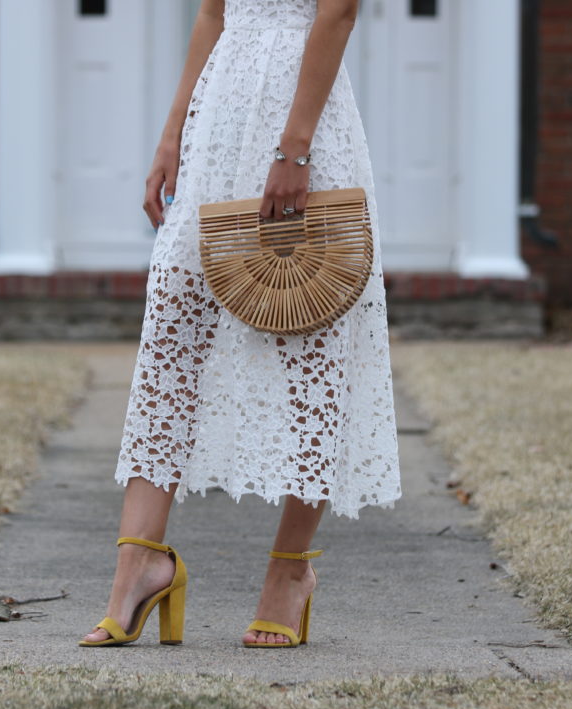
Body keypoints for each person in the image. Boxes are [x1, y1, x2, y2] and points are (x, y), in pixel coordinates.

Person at [80, 0, 401, 648]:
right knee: (173, 327)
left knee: (312, 343)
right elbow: (212, 13)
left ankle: (290, 575)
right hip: (219, 121)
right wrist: (173, 133)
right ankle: (140, 562)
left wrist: (296, 148)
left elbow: (337, 12)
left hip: (301, 123)